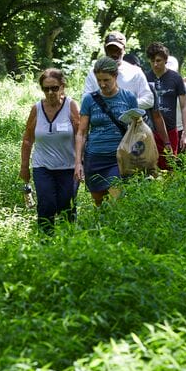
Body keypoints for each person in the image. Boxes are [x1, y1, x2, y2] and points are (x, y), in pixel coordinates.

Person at [20, 69, 80, 233]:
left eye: (54, 88)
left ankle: (69, 242)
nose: (50, 92)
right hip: (43, 167)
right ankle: (45, 243)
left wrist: (81, 164)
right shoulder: (37, 109)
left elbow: (81, 135)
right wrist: (24, 167)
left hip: (68, 167)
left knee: (66, 206)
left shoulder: (71, 106)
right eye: (46, 89)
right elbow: (27, 139)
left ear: (62, 86)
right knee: (47, 205)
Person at [75, 57, 138, 206]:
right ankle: (101, 229)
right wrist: (78, 162)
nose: (102, 84)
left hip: (119, 159)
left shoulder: (128, 98)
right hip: (95, 159)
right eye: (99, 81)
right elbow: (81, 132)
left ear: (115, 76)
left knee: (116, 201)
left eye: (106, 80)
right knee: (100, 204)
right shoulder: (89, 100)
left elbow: (137, 129)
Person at [145, 42, 186, 168]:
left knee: (170, 168)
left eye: (158, 60)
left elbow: (185, 106)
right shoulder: (144, 77)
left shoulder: (175, 78)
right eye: (152, 60)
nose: (155, 64)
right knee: (150, 168)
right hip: (149, 131)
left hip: (171, 130)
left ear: (165, 60)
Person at [83, 31, 154, 110]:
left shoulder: (135, 72)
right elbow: (85, 100)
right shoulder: (93, 72)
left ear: (124, 49)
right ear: (105, 49)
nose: (114, 54)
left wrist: (125, 104)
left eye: (117, 50)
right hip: (101, 120)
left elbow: (149, 100)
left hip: (130, 121)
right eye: (110, 50)